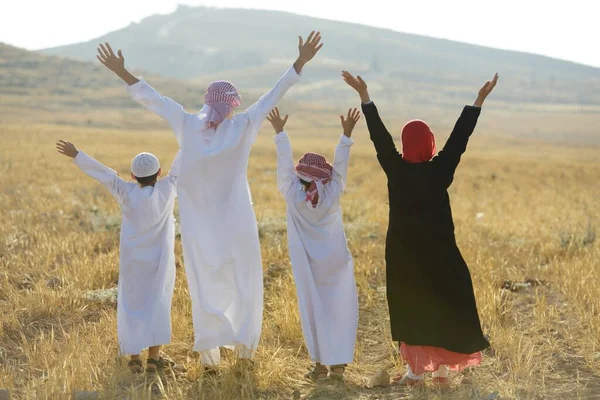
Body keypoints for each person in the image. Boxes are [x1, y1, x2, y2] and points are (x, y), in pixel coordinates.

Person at [95, 32, 323, 368]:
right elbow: (273, 96)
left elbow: (152, 98)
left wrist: (121, 72)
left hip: (198, 225)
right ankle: (244, 355)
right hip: (237, 221)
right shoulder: (244, 125)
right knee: (244, 279)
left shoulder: (187, 125)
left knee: (205, 286)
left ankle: (210, 361)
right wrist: (300, 61)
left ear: (206, 102)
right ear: (232, 105)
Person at [342, 70, 499, 387]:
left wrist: (365, 96)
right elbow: (459, 140)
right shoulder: (440, 170)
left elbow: (379, 137)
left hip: (403, 254)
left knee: (411, 305)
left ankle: (417, 371)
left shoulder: (395, 169)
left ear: (405, 144)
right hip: (440, 253)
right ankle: (441, 370)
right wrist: (478, 101)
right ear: (429, 144)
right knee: (442, 301)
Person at [56, 140, 181, 374]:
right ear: (160, 173)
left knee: (133, 304)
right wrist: (200, 130)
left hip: (132, 261)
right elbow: (180, 165)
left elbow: (104, 175)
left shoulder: (125, 191)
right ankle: (154, 358)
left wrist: (76, 155)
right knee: (158, 303)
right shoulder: (168, 188)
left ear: (133, 176)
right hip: (160, 261)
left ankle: (135, 358)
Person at [267, 107, 360, 381]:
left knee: (313, 309)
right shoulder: (332, 191)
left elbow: (284, 166)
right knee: (339, 306)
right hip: (335, 263)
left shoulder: (292, 193)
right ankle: (339, 367)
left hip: (307, 265)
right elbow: (340, 170)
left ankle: (319, 367)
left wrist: (280, 132)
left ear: (301, 177)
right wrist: (346, 136)